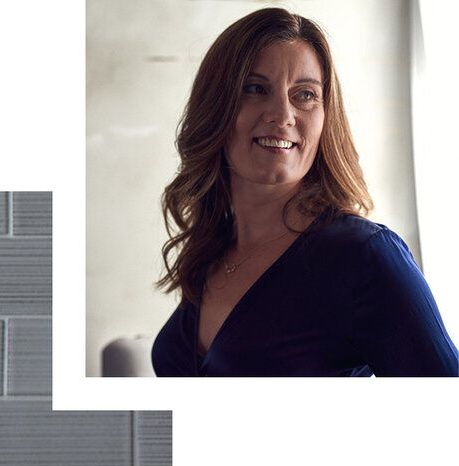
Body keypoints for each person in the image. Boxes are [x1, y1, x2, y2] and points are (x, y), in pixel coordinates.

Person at [151, 8, 457, 376]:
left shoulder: (363, 256)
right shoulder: (212, 247)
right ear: (215, 105)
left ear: (326, 117)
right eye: (255, 88)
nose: (282, 115)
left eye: (305, 94)